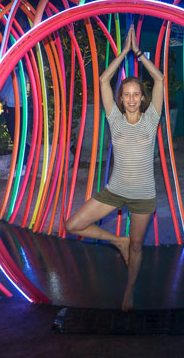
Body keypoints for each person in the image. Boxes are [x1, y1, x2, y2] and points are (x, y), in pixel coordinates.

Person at [64, 24, 164, 311]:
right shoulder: (114, 119)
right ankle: (115, 241)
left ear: (142, 98)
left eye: (136, 94)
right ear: (121, 99)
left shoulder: (151, 119)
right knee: (73, 224)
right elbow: (103, 79)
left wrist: (140, 55)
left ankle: (129, 291)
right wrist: (123, 54)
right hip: (115, 190)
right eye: (127, 94)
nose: (131, 98)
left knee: (137, 247)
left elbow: (158, 79)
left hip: (143, 196)